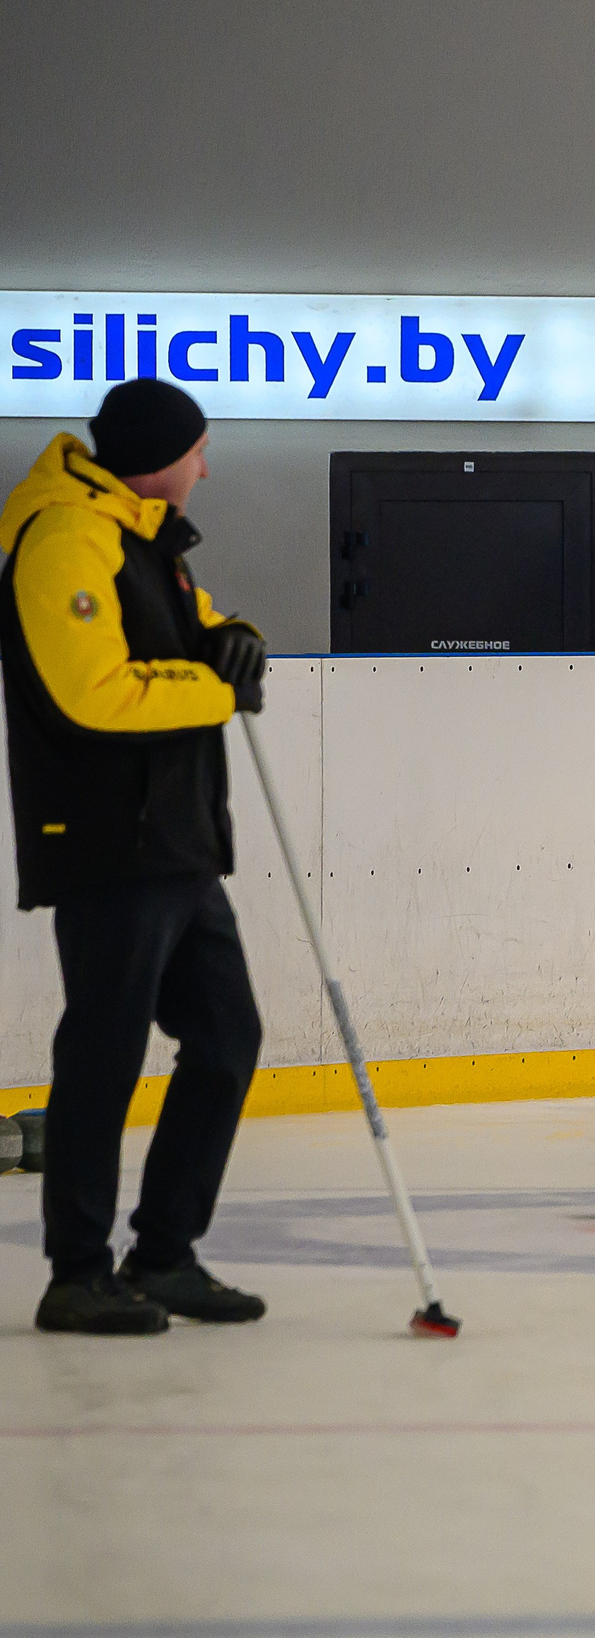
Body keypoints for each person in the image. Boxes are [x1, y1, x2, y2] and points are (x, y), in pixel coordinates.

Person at [0, 379, 271, 1334]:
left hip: (178, 844)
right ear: (159, 456)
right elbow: (93, 692)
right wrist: (215, 689)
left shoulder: (143, 537)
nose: (207, 465)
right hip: (108, 842)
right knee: (105, 1055)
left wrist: (236, 643)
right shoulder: (65, 538)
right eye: (198, 448)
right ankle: (77, 1271)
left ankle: (164, 1253)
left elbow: (201, 635)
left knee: (229, 1037)